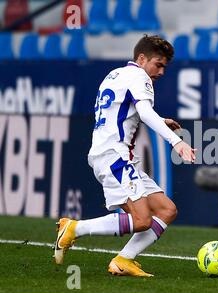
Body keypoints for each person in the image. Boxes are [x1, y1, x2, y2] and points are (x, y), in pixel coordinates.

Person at [54, 35, 196, 277]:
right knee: (141, 220)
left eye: (164, 66)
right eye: (157, 64)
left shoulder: (115, 74)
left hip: (114, 156)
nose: (161, 71)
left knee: (166, 210)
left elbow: (119, 112)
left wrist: (161, 120)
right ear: (141, 59)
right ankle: (75, 228)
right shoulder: (140, 77)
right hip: (114, 157)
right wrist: (177, 142)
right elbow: (144, 111)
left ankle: (124, 260)